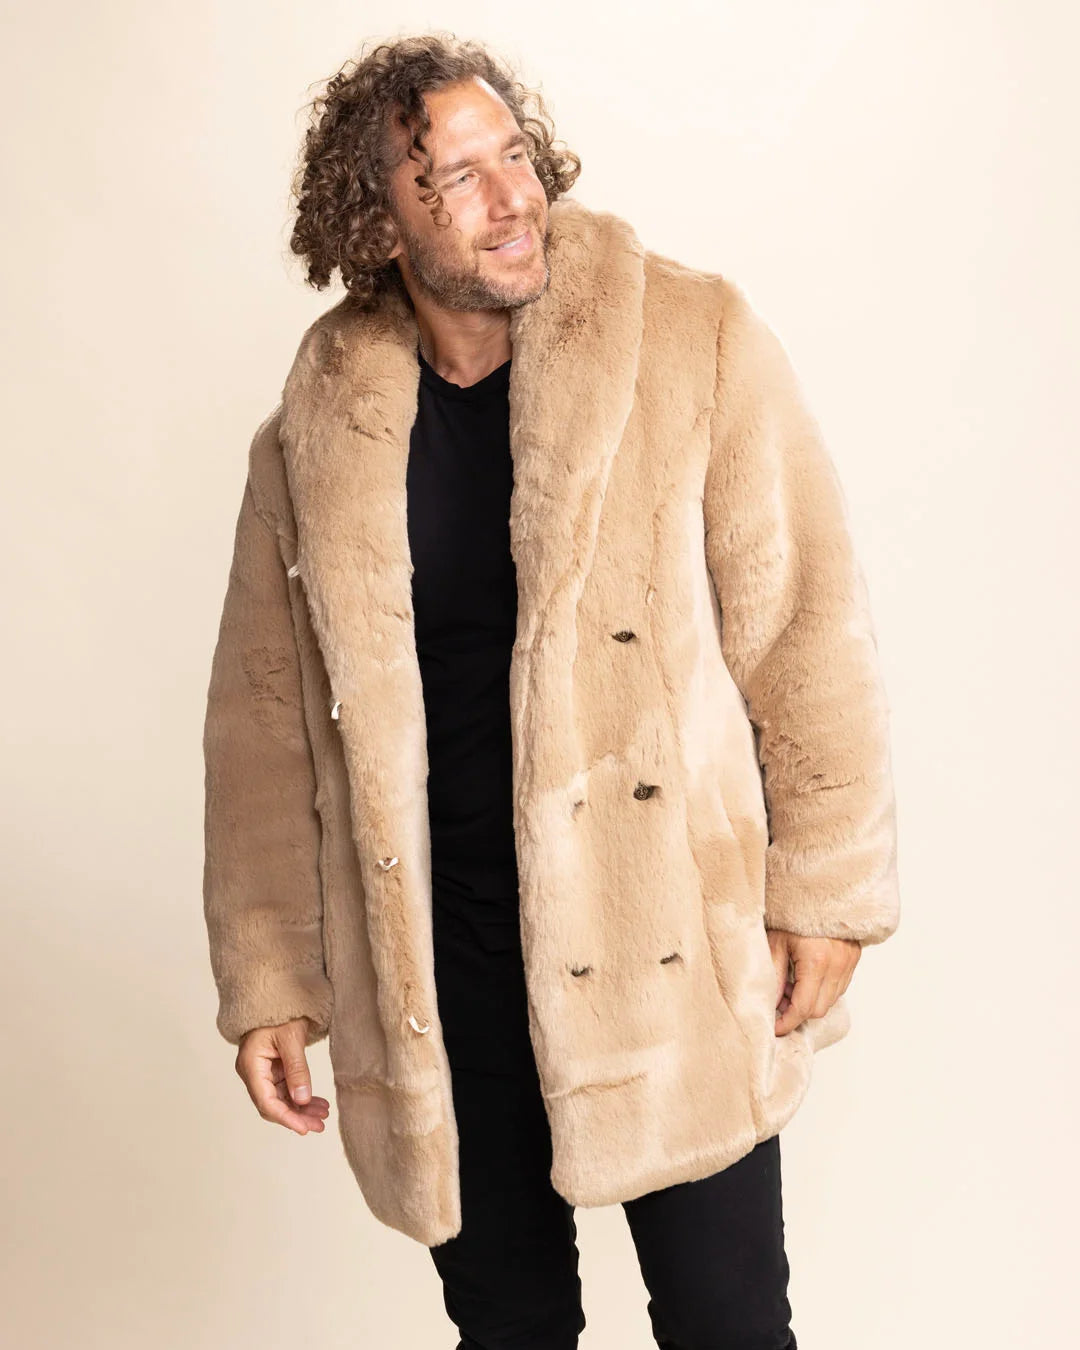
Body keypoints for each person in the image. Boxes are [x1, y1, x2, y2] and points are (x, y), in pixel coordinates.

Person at [201, 31, 901, 1350]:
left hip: (666, 937)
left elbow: (805, 622)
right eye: (455, 178)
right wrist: (272, 977)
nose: (513, 195)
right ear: (380, 225)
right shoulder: (315, 434)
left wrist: (826, 888)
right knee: (509, 1329)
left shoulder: (688, 338)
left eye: (514, 155)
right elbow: (261, 726)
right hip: (443, 963)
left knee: (729, 1324)